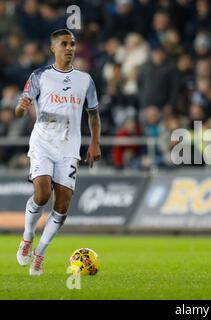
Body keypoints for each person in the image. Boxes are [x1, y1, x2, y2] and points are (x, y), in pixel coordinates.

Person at [14, 29, 102, 276]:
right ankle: (27, 238)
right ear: (53, 48)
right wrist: (21, 108)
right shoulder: (39, 75)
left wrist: (95, 143)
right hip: (43, 143)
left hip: (69, 147)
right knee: (42, 195)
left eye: (73, 44)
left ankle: (39, 255)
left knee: (62, 205)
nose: (70, 48)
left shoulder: (85, 80)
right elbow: (19, 110)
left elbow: (93, 115)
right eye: (64, 44)